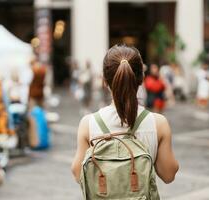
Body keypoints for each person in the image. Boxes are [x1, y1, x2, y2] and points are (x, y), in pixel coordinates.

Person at [71, 45, 179, 186]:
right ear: (141, 79)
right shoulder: (158, 123)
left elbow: (78, 174)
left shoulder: (88, 124)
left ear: (104, 80)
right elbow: (168, 175)